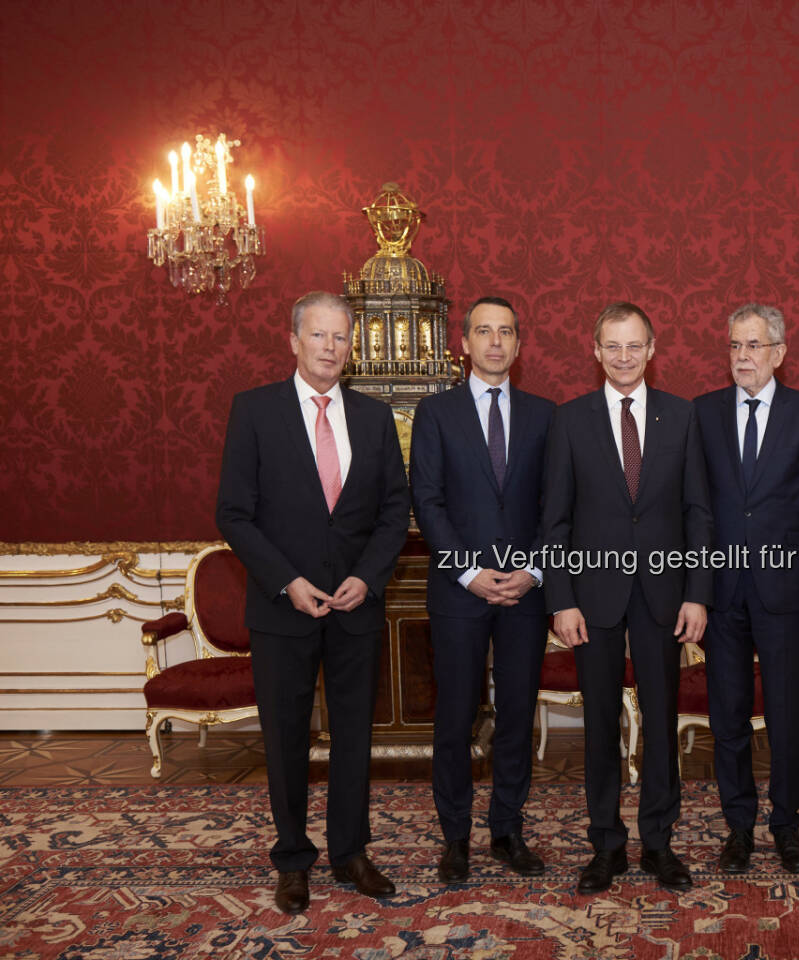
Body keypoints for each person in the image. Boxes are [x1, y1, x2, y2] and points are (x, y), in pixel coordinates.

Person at [215, 290, 409, 915]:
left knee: (355, 737)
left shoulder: (376, 418)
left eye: (341, 338)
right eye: (319, 336)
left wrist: (369, 577)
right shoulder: (254, 412)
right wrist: (286, 581)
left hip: (356, 607)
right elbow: (235, 515)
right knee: (286, 738)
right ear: (294, 340)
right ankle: (293, 859)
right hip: (281, 608)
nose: (331, 348)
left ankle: (350, 852)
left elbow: (393, 511)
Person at [541, 302, 712, 894]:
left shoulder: (682, 417)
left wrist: (698, 594)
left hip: (665, 597)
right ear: (595, 351)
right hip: (592, 599)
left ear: (652, 349)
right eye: (611, 346)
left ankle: (659, 842)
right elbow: (554, 522)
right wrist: (560, 600)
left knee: (663, 724)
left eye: (633, 345)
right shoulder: (569, 421)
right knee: (598, 725)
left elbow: (697, 513)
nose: (622, 356)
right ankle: (606, 844)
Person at [409, 296, 554, 883]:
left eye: (506, 333)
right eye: (483, 332)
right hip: (458, 591)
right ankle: (455, 838)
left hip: (526, 592)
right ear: (463, 343)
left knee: (517, 714)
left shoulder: (547, 416)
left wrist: (534, 569)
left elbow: (556, 506)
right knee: (455, 719)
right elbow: (429, 500)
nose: (495, 342)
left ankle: (507, 830)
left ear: (519, 346)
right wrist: (470, 572)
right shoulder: (436, 413)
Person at [694, 303, 799, 874]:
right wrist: (695, 590)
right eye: (735, 346)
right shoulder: (703, 413)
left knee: (783, 717)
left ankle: (787, 826)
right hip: (722, 594)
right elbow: (694, 509)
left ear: (779, 353)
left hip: (786, 594)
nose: (743, 357)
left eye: (754, 346)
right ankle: (738, 828)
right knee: (727, 718)